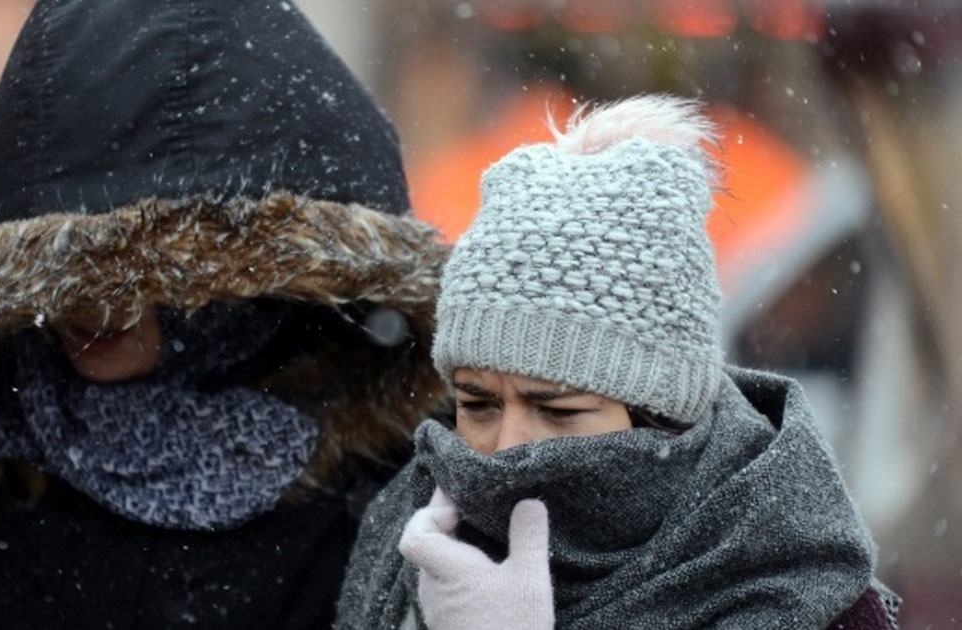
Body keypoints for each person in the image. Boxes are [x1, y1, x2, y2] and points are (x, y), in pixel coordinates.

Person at [0, 1, 449, 628]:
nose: (86, 303)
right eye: (63, 268)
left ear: (242, 282)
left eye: (139, 271)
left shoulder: (383, 489)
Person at [334, 95, 901, 629]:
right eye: (477, 405)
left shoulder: (801, 592)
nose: (506, 449)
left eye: (557, 410)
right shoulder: (409, 541)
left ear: (665, 419)